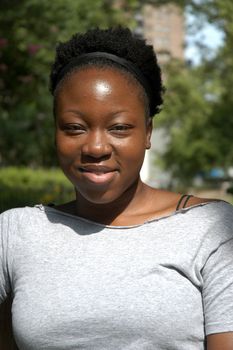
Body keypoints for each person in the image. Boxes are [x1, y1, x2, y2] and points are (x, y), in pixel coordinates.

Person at [0, 26, 233, 350]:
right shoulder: (15, 232)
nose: (96, 146)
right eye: (74, 128)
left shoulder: (212, 229)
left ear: (148, 132)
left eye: (119, 128)